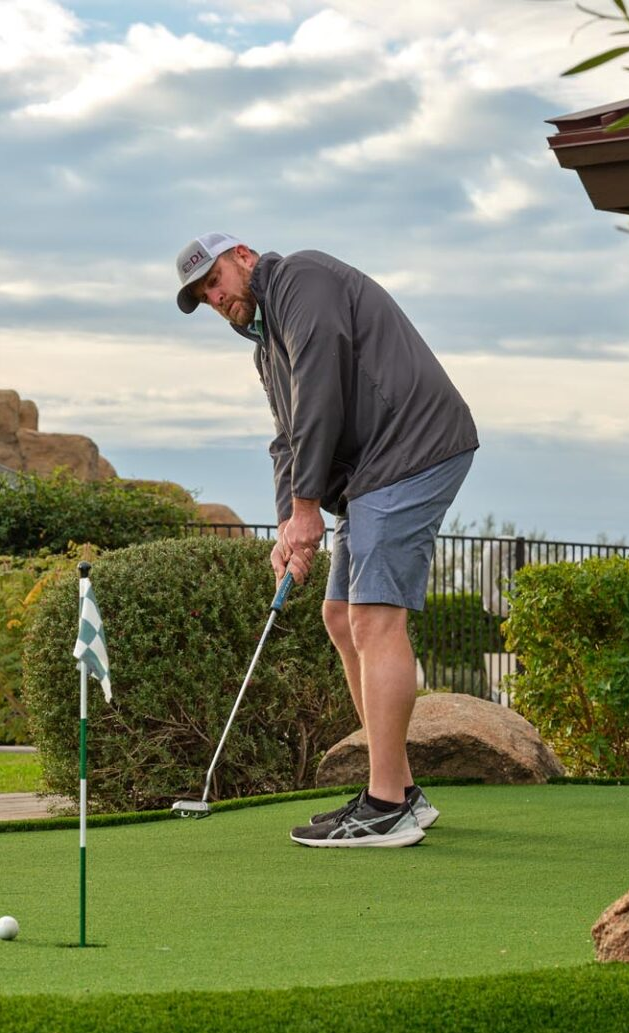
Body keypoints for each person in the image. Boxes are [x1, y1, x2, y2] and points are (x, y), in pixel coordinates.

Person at [175, 232, 478, 848]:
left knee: (373, 619)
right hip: (376, 469)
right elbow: (289, 438)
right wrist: (292, 525)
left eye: (214, 281)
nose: (214, 298)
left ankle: (385, 805)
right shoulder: (266, 346)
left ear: (243, 256)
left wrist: (310, 508)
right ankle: (401, 791)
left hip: (412, 448)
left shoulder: (301, 281)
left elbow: (319, 392)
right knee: (340, 617)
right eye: (202, 295)